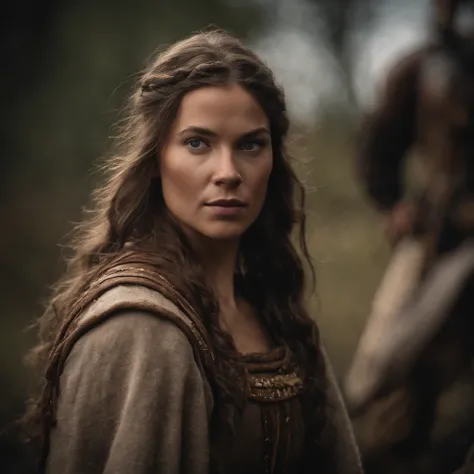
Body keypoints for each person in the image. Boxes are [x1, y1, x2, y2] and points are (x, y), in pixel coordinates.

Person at [25, 29, 363, 474]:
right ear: (156, 158)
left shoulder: (275, 311)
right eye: (197, 143)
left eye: (250, 144)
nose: (228, 172)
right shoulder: (140, 325)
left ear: (273, 161)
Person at [343, 1, 474, 473]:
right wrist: (394, 203)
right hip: (442, 239)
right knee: (386, 364)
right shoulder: (421, 70)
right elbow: (378, 145)